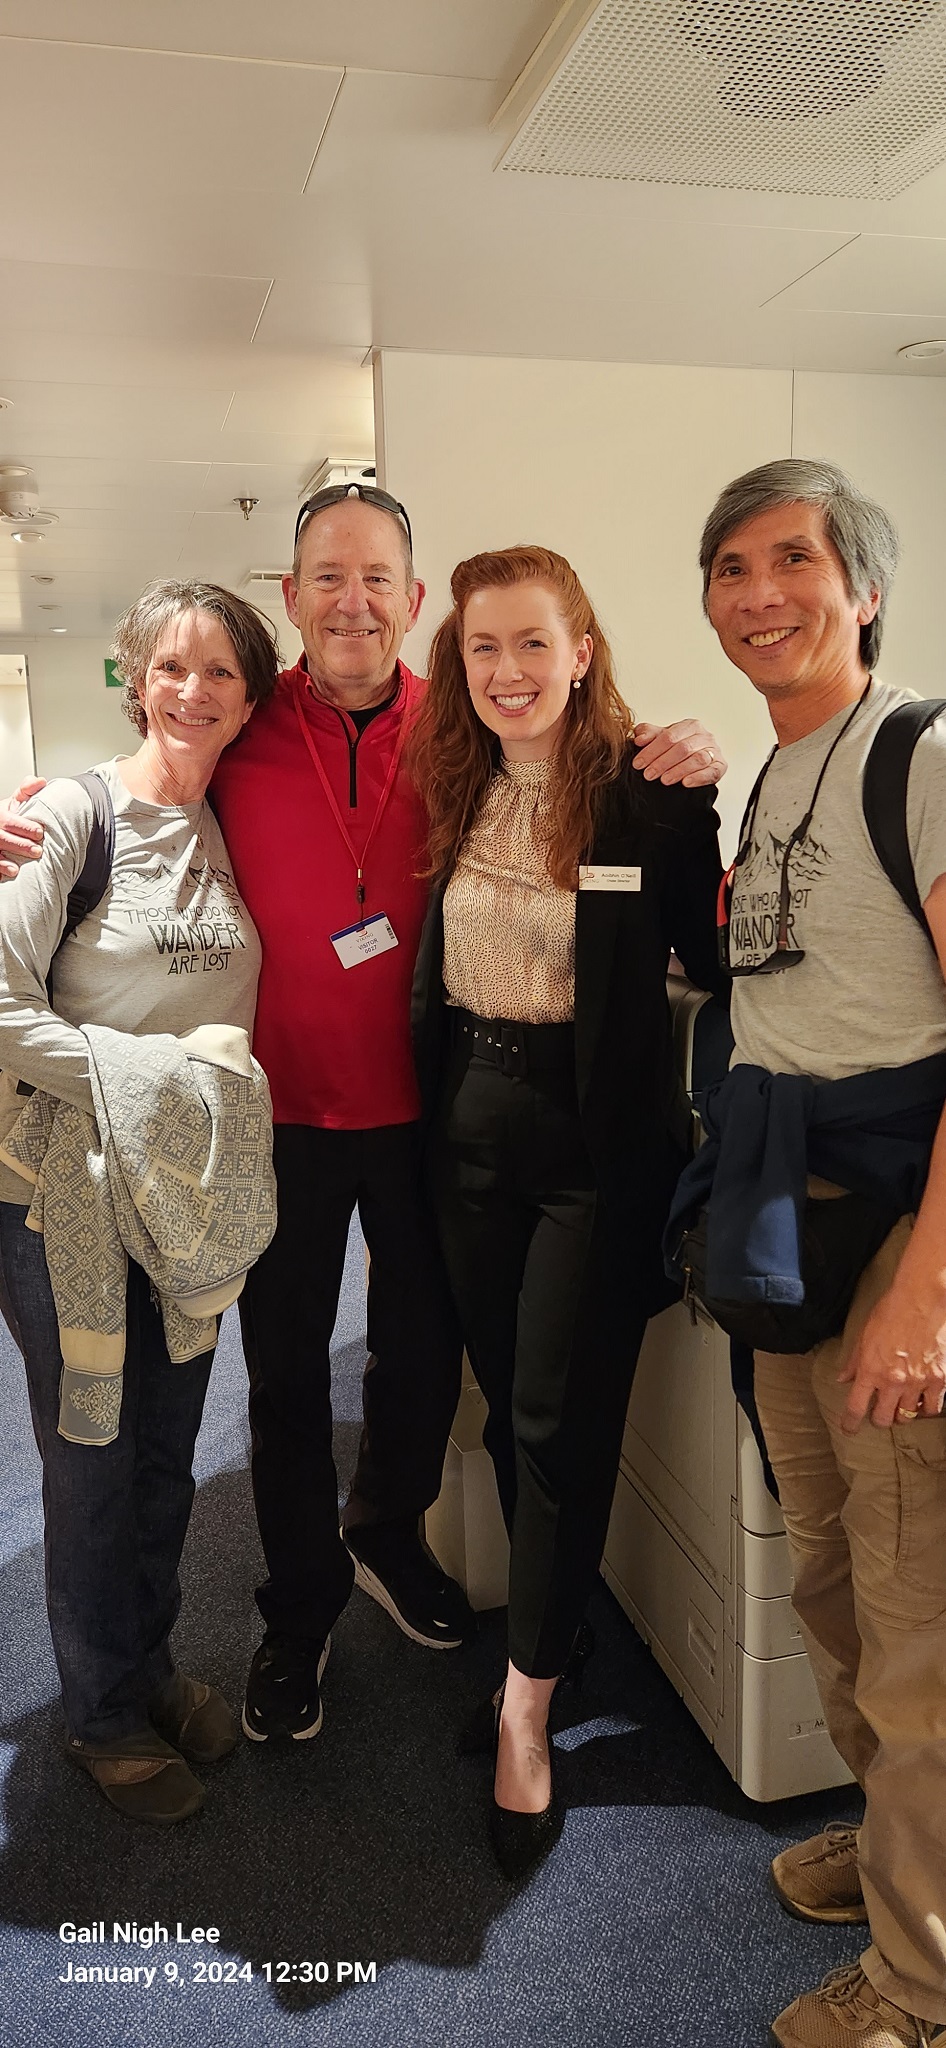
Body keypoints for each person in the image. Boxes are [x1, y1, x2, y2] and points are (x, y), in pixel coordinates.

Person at [0, 482, 729, 1749]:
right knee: (287, 1380)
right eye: (326, 578)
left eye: (376, 576)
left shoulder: (463, 723)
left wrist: (684, 748)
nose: (351, 602)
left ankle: (387, 1527)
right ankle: (299, 1606)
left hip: (432, 1114)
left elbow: (580, 760)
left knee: (423, 1358)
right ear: (291, 597)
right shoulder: (242, 723)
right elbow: (145, 782)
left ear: (412, 595)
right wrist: (34, 812)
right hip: (271, 1120)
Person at [408, 543, 727, 1876]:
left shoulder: (648, 799)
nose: (508, 670)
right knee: (505, 1398)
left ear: (581, 651)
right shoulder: (450, 781)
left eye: (532, 642)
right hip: (465, 1127)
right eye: (483, 646)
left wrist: (713, 783)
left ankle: (526, 1712)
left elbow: (718, 957)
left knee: (552, 1418)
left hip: (592, 1148)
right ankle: (559, 1629)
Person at [681, 458, 946, 2048]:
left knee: (915, 1628)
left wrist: (924, 1294)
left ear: (862, 588)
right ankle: (891, 1837)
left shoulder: (921, 752)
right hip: (788, 1221)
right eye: (729, 567)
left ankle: (920, 1991)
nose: (757, 592)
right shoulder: (779, 770)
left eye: (791, 560)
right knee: (832, 1579)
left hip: (896, 1236)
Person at [0, 579, 280, 1825]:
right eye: (169, 665)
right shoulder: (74, 813)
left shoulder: (233, 820)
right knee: (90, 1454)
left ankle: (150, 1665)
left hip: (187, 1195)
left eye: (220, 671)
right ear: (131, 676)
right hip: (61, 1192)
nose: (191, 690)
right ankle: (100, 1710)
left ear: (250, 698)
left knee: (168, 1445)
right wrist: (150, 1082)